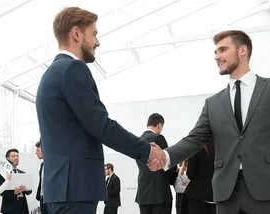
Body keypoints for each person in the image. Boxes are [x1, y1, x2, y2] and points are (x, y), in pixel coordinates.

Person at [160, 30, 270, 214]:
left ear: (242, 50)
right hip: (226, 195)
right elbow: (194, 139)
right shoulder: (213, 103)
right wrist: (165, 156)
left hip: (269, 191)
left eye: (222, 50)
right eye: (215, 52)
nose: (217, 57)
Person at [35, 6, 166, 214]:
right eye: (94, 34)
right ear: (76, 33)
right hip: (76, 190)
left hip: (60, 190)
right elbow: (101, 126)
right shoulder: (72, 69)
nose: (97, 42)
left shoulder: (51, 74)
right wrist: (147, 150)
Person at [136, 113, 178, 214]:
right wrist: (174, 176)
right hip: (159, 193)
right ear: (159, 125)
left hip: (143, 192)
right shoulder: (158, 138)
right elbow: (167, 161)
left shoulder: (137, 140)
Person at [183, 138, 216, 214]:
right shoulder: (223, 146)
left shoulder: (196, 147)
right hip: (218, 195)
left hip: (197, 194)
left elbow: (191, 174)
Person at [0, 149, 32, 214]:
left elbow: (29, 191)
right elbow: (0, 191)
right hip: (9, 208)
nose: (16, 158)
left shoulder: (23, 173)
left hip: (23, 208)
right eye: (13, 156)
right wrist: (14, 192)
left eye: (17, 156)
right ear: (7, 158)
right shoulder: (1, 173)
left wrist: (25, 188)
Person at [35, 141, 49, 214]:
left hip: (52, 199)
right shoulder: (42, 165)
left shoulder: (54, 163)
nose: (36, 153)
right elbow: (41, 182)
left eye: (38, 150)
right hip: (43, 199)